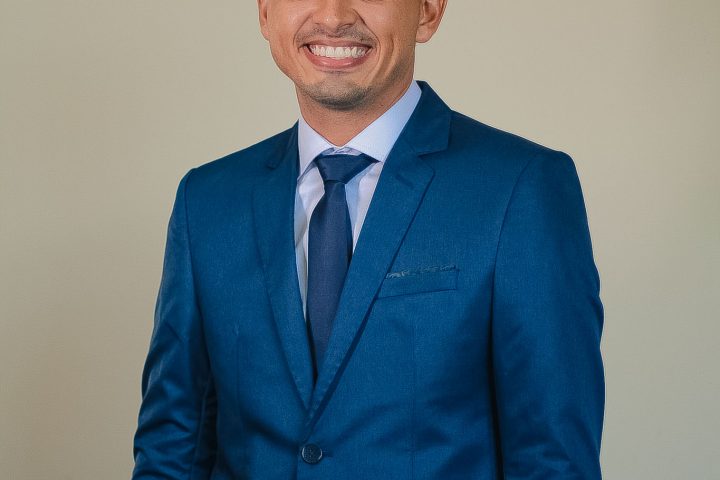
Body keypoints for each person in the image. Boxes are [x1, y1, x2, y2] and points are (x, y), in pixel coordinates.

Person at [131, 0, 605, 478]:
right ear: (265, 12)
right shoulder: (207, 202)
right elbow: (172, 449)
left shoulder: (521, 189)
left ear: (428, 11)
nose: (334, 16)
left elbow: (553, 460)